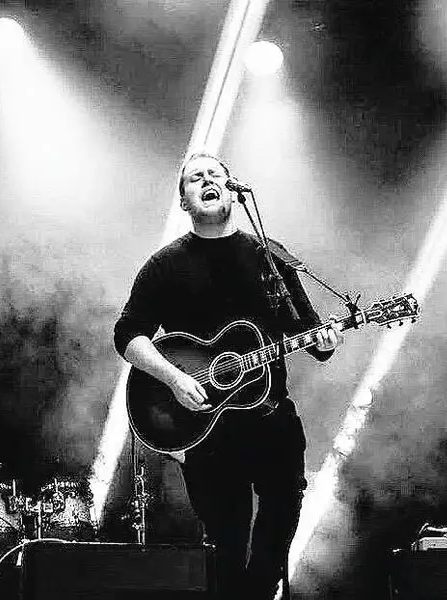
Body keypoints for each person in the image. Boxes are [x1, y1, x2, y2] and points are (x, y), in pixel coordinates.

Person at [113, 153, 342, 600]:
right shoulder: (165, 265)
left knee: (284, 505)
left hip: (270, 417)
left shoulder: (269, 256)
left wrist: (327, 339)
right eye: (195, 178)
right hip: (206, 427)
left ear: (232, 189)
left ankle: (259, 589)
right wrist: (175, 378)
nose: (206, 181)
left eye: (214, 175)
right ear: (184, 201)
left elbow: (310, 334)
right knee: (227, 539)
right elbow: (128, 335)